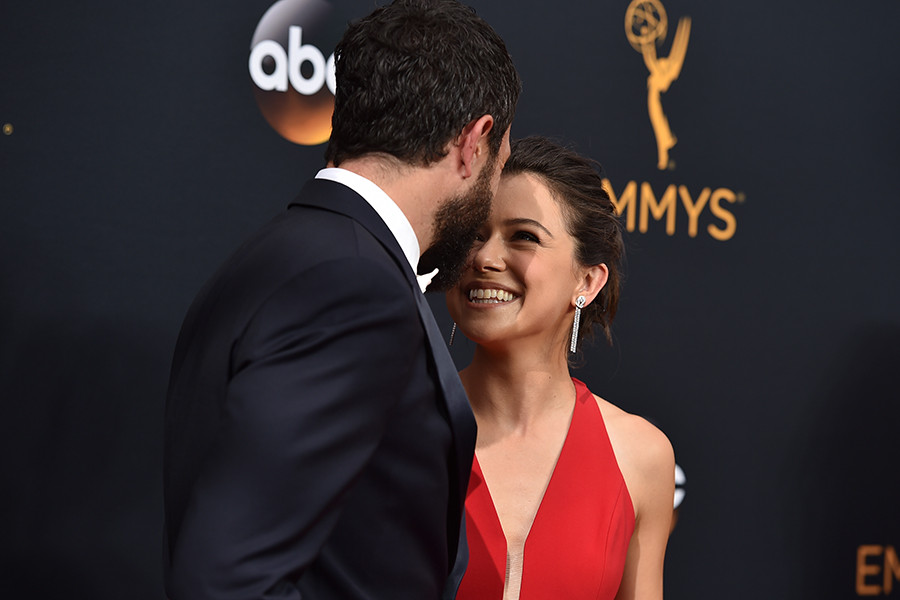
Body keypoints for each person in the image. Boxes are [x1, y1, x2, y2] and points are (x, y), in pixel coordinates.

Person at [163, 1, 520, 598]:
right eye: (500, 165)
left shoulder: (282, 253)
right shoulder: (354, 286)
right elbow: (228, 579)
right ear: (474, 142)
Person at [446, 137, 675, 599]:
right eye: (473, 233)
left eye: (523, 236)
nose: (485, 258)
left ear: (587, 280)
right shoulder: (396, 425)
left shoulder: (640, 456)